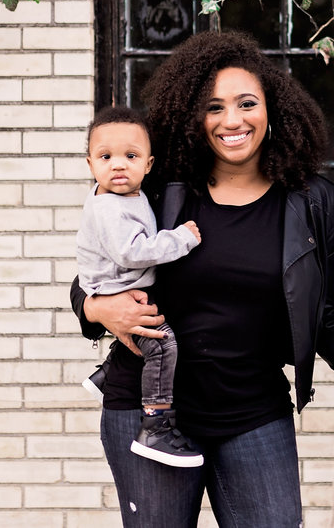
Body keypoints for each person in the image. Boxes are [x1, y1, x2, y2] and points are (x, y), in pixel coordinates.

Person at [70, 30, 334, 527]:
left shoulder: (310, 201)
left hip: (254, 413)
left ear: (272, 110)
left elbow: (326, 317)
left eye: (247, 103)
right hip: (148, 412)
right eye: (213, 107)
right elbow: (91, 278)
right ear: (192, 116)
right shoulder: (156, 191)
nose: (232, 120)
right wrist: (96, 309)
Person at [77, 105, 204, 468]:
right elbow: (132, 251)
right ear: (90, 164)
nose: (118, 165)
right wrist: (181, 239)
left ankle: (106, 373)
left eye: (130, 156)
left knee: (143, 329)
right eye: (106, 157)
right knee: (162, 345)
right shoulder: (109, 208)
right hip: (116, 286)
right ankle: (156, 425)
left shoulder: (127, 196)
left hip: (122, 284)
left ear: (148, 164)